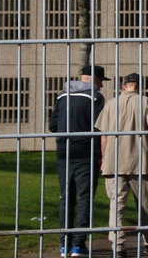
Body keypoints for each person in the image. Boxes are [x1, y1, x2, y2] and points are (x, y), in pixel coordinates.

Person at [96, 73, 148, 258]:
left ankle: (118, 246)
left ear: (123, 86)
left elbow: (104, 136)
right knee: (145, 204)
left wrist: (103, 159)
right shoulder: (146, 102)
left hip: (113, 161)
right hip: (139, 161)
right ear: (138, 86)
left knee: (116, 205)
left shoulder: (110, 104)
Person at [49, 65, 109, 257]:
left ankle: (64, 244)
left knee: (66, 197)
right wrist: (101, 156)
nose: (101, 85)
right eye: (101, 81)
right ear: (93, 79)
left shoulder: (62, 96)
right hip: (85, 152)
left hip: (63, 151)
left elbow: (52, 125)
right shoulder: (95, 97)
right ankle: (79, 245)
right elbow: (98, 128)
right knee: (84, 197)